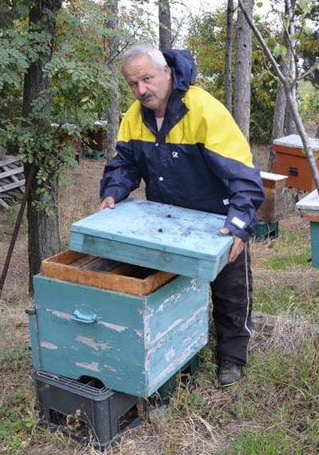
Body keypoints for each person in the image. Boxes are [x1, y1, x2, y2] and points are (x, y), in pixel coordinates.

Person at [99, 44, 264, 387]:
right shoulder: (134, 116)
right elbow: (124, 163)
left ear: (166, 72)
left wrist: (239, 224)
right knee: (172, 290)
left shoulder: (203, 109)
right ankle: (178, 351)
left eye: (146, 79)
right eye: (133, 84)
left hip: (217, 222)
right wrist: (113, 192)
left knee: (230, 292)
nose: (141, 90)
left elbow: (243, 174)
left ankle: (232, 356)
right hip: (167, 225)